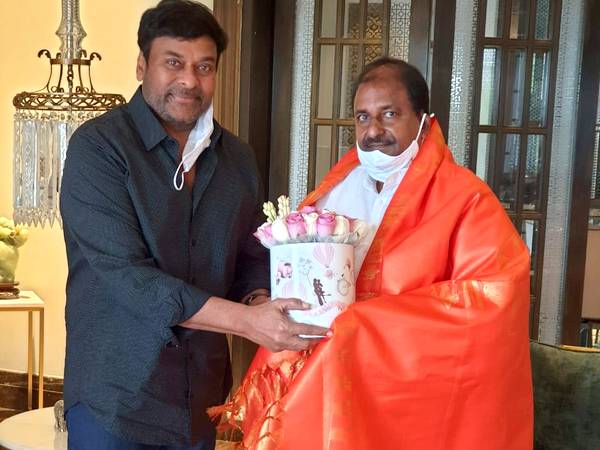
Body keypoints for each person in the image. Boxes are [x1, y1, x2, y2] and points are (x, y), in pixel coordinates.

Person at [214, 57, 534, 449]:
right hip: (326, 381)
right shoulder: (337, 190)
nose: (374, 131)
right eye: (363, 118)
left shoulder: (465, 198)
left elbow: (493, 299)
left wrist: (364, 326)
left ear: (424, 121)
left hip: (409, 396)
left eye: (389, 114)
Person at [59, 1, 328, 449]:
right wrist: (246, 321)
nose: (189, 80)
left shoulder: (237, 159)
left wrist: (263, 302)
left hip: (200, 399)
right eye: (173, 63)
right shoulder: (99, 148)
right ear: (142, 65)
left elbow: (250, 257)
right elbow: (129, 278)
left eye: (204, 67)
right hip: (115, 399)